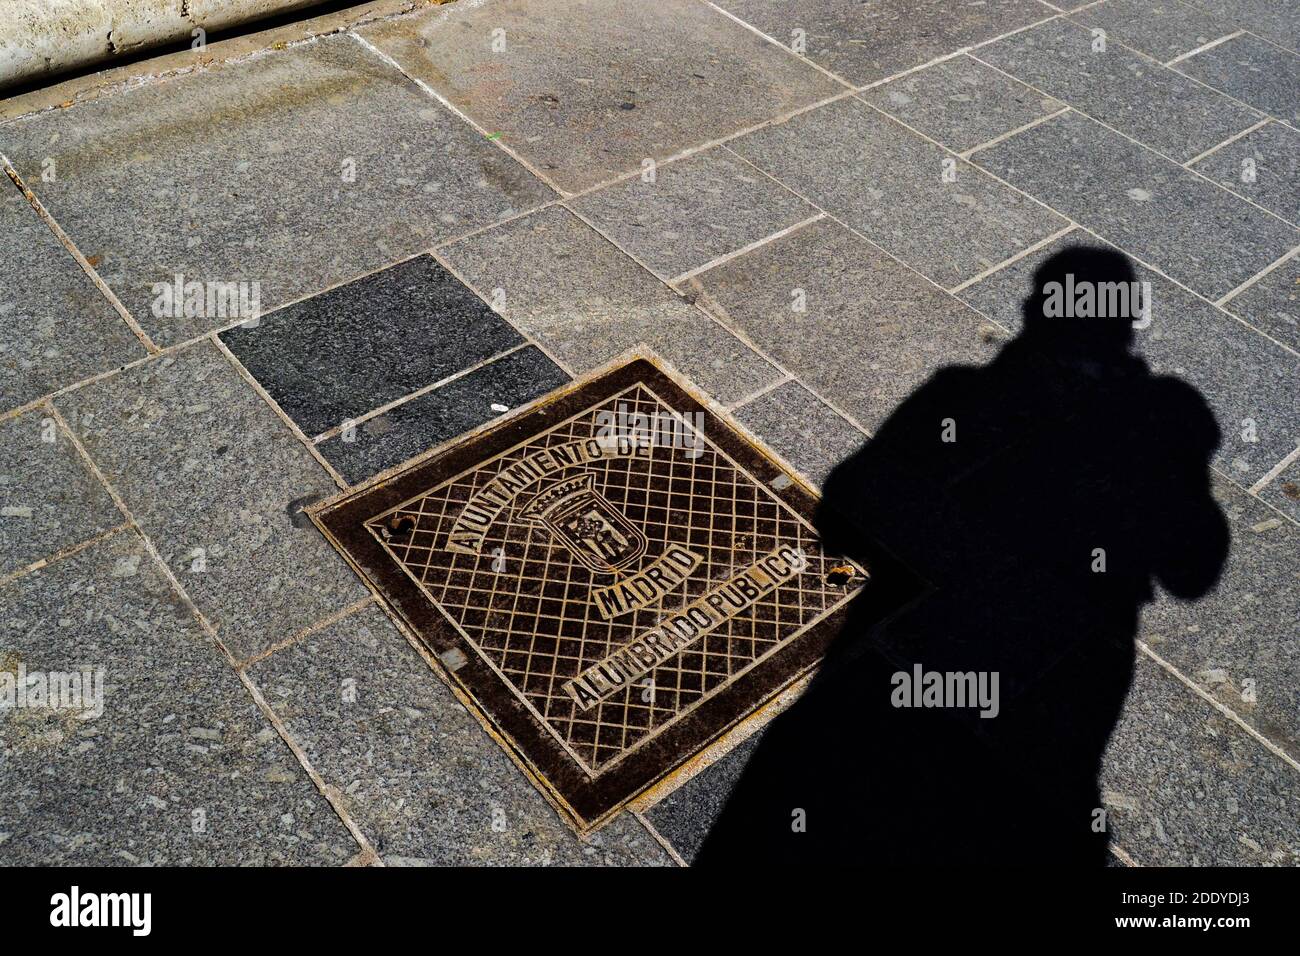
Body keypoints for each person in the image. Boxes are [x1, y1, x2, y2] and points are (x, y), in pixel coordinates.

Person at [697, 246, 1229, 865]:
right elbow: (1194, 570)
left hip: (913, 662)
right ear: (1125, 325)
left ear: (1038, 312)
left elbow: (843, 513)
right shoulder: (1153, 418)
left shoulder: (964, 397)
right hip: (1064, 674)